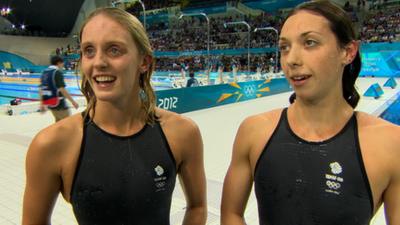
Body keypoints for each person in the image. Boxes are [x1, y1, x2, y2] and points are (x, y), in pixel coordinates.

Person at [221, 1, 400, 224]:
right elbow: (231, 214)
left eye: (310, 43)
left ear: (348, 51)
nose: (292, 60)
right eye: (284, 47)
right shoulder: (254, 131)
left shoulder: (390, 145)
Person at [23, 7, 207, 225]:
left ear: (144, 62)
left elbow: (198, 207)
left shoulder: (182, 133)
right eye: (89, 50)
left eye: (114, 50)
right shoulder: (51, 145)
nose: (98, 62)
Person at [39, 55, 79, 122]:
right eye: (62, 63)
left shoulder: (45, 72)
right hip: (59, 104)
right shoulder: (57, 72)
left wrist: (42, 103)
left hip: (50, 103)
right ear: (58, 63)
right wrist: (73, 102)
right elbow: (62, 89)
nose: (63, 65)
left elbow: (41, 89)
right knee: (68, 124)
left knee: (58, 123)